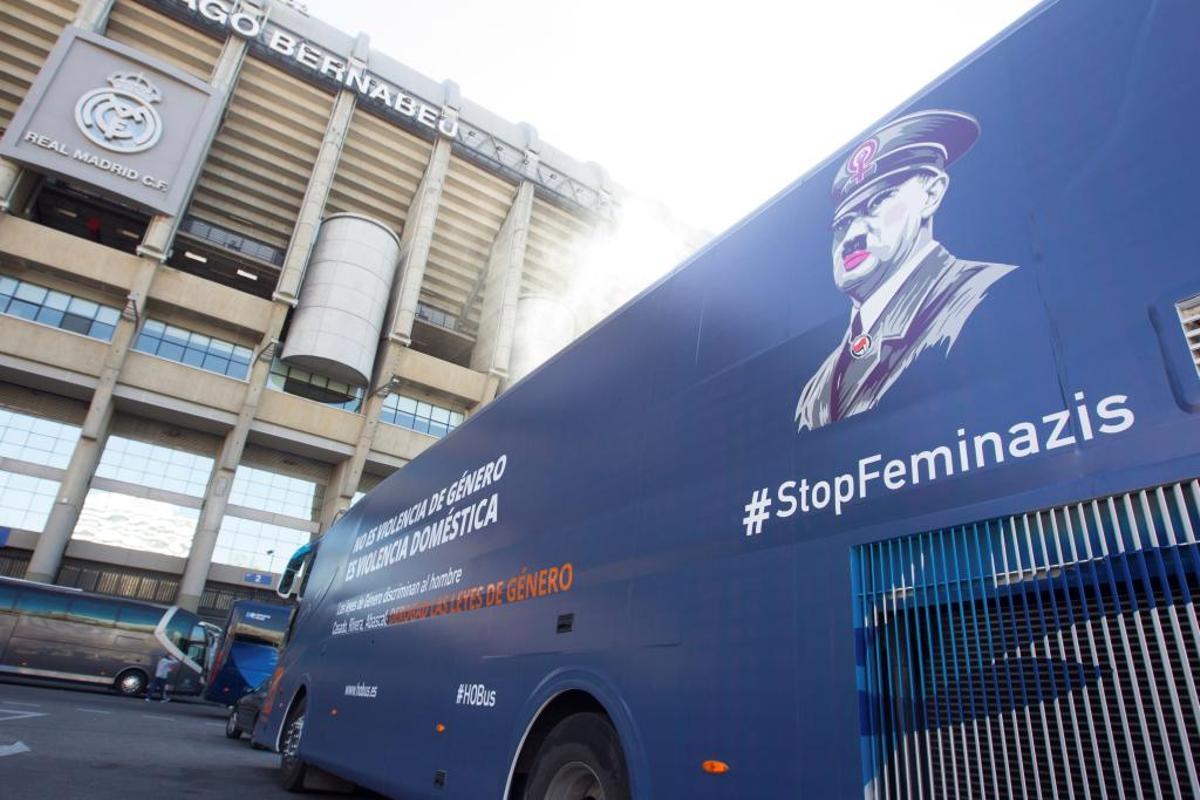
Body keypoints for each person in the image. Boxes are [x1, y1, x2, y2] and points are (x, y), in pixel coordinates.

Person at [795, 109, 1017, 432]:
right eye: (843, 223)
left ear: (931, 194)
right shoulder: (816, 388)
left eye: (876, 203)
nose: (853, 234)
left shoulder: (987, 300)